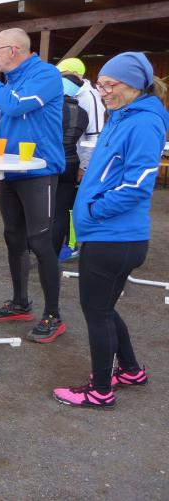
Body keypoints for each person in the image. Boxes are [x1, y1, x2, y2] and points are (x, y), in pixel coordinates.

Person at [53, 52, 168, 408]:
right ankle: (130, 370)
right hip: (109, 235)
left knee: (97, 311)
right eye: (100, 85)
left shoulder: (144, 123)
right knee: (103, 307)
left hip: (114, 236)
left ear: (133, 84)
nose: (102, 92)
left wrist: (94, 209)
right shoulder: (123, 116)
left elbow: (138, 185)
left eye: (109, 85)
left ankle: (100, 390)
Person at [0, 27, 66, 344]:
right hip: (11, 172)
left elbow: (15, 106)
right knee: (13, 238)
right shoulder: (11, 81)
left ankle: (53, 315)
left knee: (40, 241)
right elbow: (8, 124)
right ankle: (20, 303)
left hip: (40, 171)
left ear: (13, 50)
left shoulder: (46, 75)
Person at [55, 57, 107, 261]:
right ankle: (59, 242)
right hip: (66, 158)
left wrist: (84, 166)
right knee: (62, 204)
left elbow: (95, 136)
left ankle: (71, 245)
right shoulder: (67, 94)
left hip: (78, 161)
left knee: (72, 204)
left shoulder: (90, 96)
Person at [52, 76, 89, 260]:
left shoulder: (52, 108)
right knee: (61, 211)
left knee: (42, 208)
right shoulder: (83, 113)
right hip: (72, 162)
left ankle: (36, 248)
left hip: (51, 162)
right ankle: (54, 252)